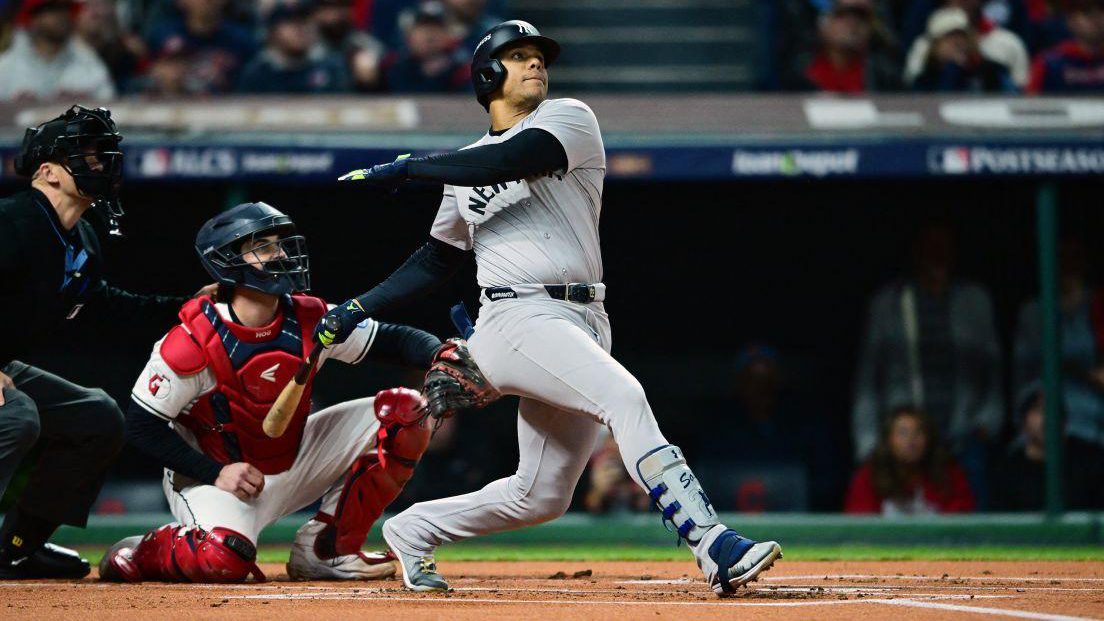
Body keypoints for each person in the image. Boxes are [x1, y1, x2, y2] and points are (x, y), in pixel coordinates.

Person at [323, 20, 781, 596]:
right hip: (517, 316)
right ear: (487, 75)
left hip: (585, 316)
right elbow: (435, 260)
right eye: (518, 56)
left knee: (540, 496)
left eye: (538, 55)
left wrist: (410, 166)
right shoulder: (461, 169)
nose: (536, 63)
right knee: (624, 397)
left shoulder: (567, 119)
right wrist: (356, 306)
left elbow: (507, 160)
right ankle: (712, 542)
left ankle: (414, 528)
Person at [98, 201, 490, 583]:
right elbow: (141, 427)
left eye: (280, 244)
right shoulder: (192, 340)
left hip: (291, 455)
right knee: (223, 559)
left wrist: (440, 353)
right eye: (264, 247)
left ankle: (327, 549)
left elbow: (395, 340)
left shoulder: (310, 316)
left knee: (408, 410)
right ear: (227, 261)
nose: (282, 254)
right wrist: (215, 473)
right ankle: (139, 552)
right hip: (215, 478)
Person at [0, 105, 202, 579]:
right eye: (86, 155)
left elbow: (107, 307)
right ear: (47, 172)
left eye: (101, 154)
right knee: (18, 414)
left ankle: (16, 548)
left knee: (97, 416)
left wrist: (191, 308)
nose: (100, 163)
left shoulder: (82, 239)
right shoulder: (11, 221)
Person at [851, 221, 1003, 506]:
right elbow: (868, 378)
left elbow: (992, 369)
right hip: (900, 441)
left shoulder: (975, 300)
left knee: (969, 523)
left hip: (962, 437)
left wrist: (986, 423)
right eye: (930, 247)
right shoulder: (888, 302)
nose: (937, 255)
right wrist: (868, 440)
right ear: (916, 252)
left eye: (943, 247)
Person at [845, 406, 975, 514]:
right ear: (888, 440)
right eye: (903, 433)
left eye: (919, 432)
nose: (911, 440)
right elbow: (861, 523)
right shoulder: (868, 476)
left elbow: (961, 518)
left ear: (929, 439)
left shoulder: (949, 474)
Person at [0, 0, 115, 101]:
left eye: (66, 8)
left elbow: (108, 107)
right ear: (33, 18)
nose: (62, 15)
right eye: (52, 9)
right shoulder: (7, 67)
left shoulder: (88, 61)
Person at [904, 0, 1030, 88]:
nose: (957, 42)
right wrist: (947, 68)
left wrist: (976, 63)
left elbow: (1015, 92)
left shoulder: (989, 70)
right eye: (949, 37)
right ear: (935, 45)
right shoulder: (924, 69)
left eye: (961, 36)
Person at [144, 0, 256, 95]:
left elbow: (252, 82)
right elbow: (145, 74)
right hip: (172, 106)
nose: (206, 1)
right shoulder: (162, 36)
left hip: (226, 108)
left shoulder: (242, 40)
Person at [237, 2, 350, 94]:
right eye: (290, 22)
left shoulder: (331, 67)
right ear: (273, 31)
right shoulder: (257, 74)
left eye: (305, 21)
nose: (300, 29)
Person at [793, 0, 902, 93]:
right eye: (842, 14)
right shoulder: (798, 69)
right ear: (823, 22)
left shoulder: (884, 76)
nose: (852, 23)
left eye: (861, 17)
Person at [380, 1, 470, 93]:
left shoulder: (461, 71)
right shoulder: (393, 66)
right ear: (409, 34)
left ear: (448, 35)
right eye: (423, 28)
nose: (429, 35)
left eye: (437, 28)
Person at [1028, 0, 1104, 93]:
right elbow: (1029, 99)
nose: (1096, 17)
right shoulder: (1048, 64)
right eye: (1086, 12)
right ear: (1070, 20)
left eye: (1102, 10)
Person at [311, 0, 386, 91]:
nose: (336, 14)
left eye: (342, 7)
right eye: (328, 7)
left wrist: (372, 78)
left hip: (354, 96)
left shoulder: (366, 44)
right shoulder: (308, 45)